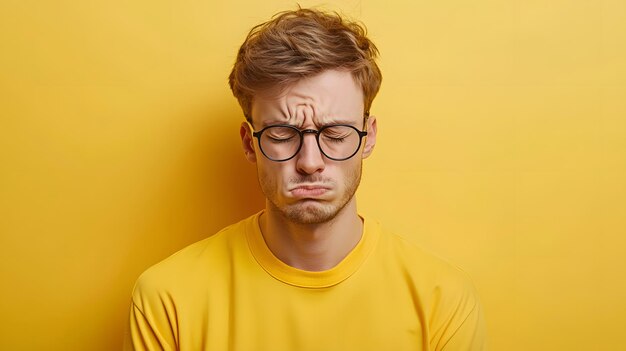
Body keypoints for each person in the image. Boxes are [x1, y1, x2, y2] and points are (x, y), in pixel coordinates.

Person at [125, 7, 487, 351]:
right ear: (249, 144)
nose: (310, 162)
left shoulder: (442, 300)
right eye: (282, 133)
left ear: (369, 137)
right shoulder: (167, 299)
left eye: (335, 132)